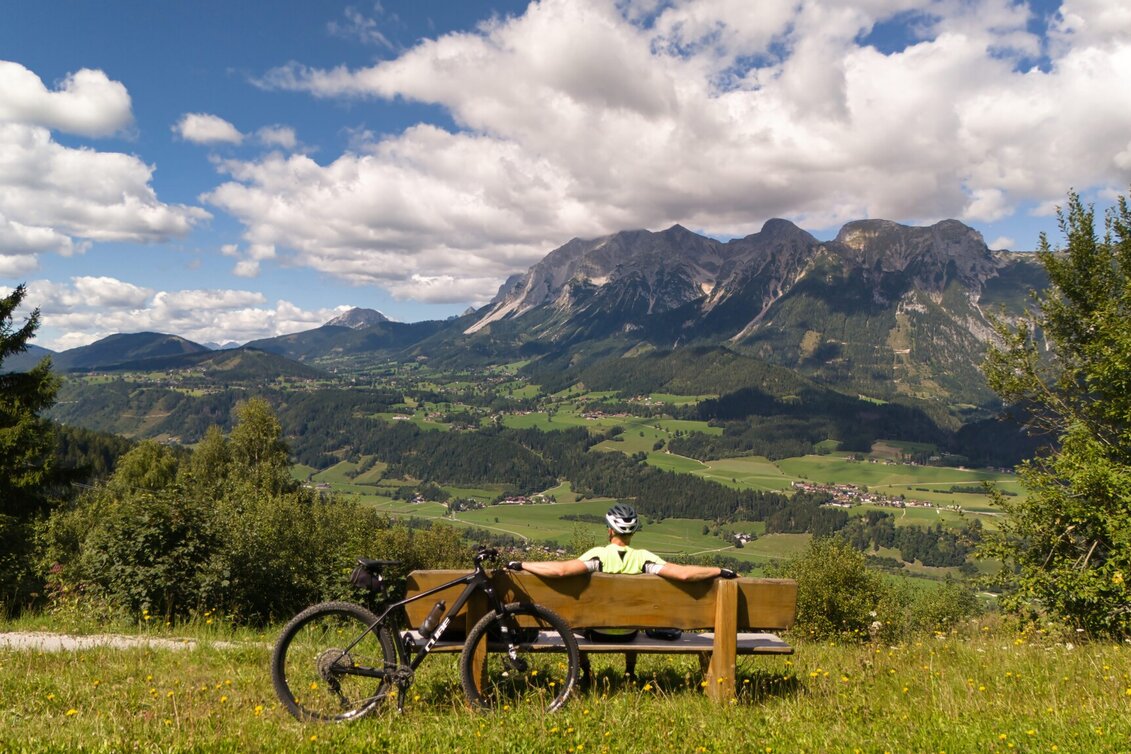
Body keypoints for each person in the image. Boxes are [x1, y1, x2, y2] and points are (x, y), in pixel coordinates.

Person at [507, 503, 737, 681]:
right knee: (633, 614)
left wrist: (523, 565)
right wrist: (719, 569)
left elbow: (561, 571)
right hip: (630, 632)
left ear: (610, 530)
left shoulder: (598, 556)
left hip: (595, 631)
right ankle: (629, 672)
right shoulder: (644, 558)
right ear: (633, 531)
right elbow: (684, 575)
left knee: (576, 620)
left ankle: (586, 671)